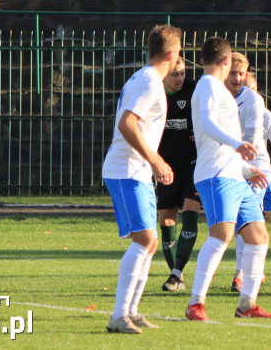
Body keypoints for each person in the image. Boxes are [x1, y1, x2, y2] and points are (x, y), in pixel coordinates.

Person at [184, 37, 271, 322]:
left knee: (259, 236)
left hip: (235, 175)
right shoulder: (208, 85)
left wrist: (245, 168)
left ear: (202, 59)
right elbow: (209, 125)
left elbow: (222, 134)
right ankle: (195, 304)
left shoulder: (219, 89)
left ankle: (247, 304)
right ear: (227, 61)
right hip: (214, 175)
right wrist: (236, 145)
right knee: (222, 235)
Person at [102, 24, 181, 334]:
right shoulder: (149, 82)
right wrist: (156, 160)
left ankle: (131, 312)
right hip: (126, 170)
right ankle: (118, 315)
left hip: (137, 172)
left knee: (148, 244)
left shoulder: (145, 79)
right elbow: (127, 124)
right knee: (145, 240)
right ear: (173, 54)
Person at [228, 67, 271, 292]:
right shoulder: (231, 113)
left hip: (265, 174)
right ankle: (241, 274)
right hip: (247, 174)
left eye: (254, 89)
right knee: (250, 223)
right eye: (247, 89)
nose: (251, 94)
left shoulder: (265, 114)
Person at [155, 57, 201, 293]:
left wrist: (203, 129)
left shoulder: (194, 89)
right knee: (166, 221)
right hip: (165, 166)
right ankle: (178, 276)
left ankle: (175, 274)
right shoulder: (155, 95)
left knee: (190, 211)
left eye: (183, 73)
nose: (180, 78)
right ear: (164, 76)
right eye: (175, 74)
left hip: (193, 165)